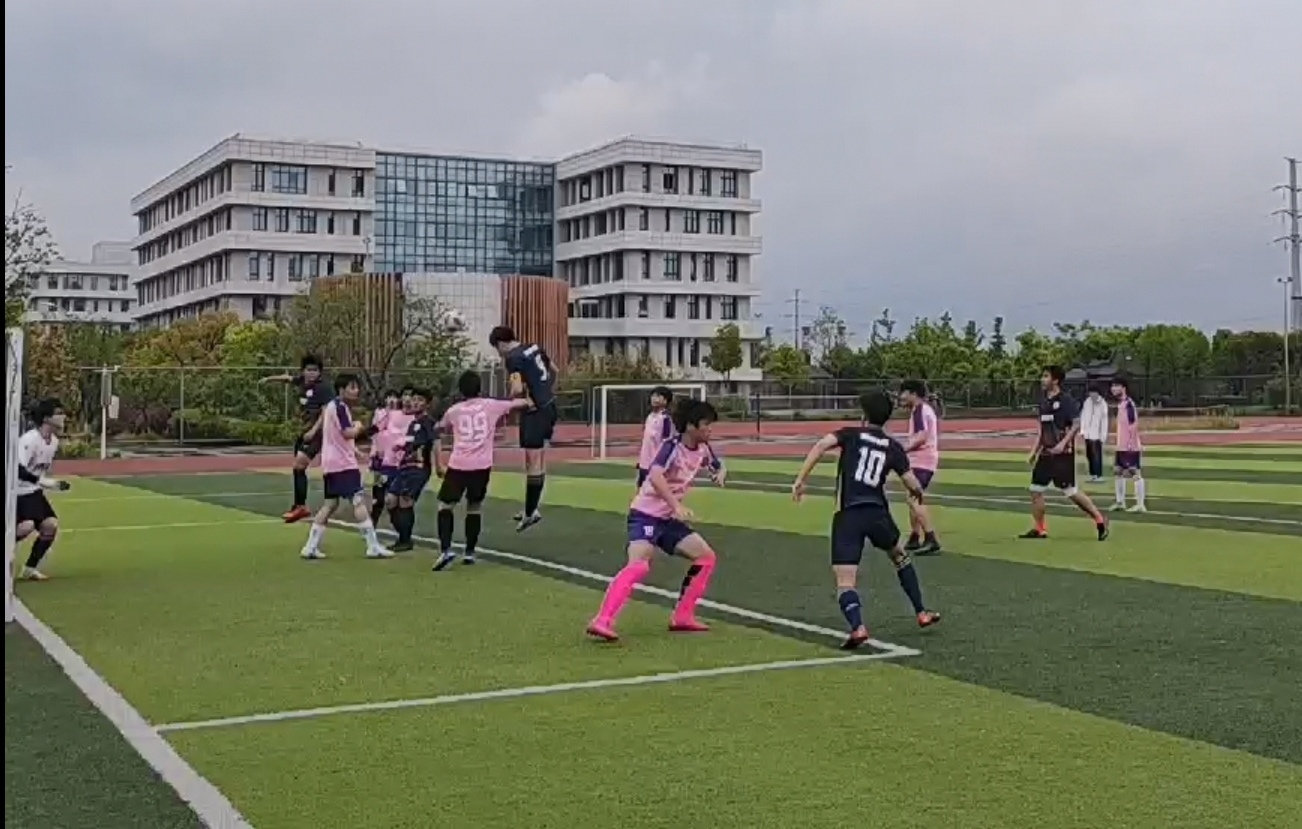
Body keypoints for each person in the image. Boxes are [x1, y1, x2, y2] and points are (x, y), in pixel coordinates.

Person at [791, 390, 942, 650]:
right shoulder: (893, 446)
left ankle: (858, 627)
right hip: (877, 513)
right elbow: (911, 482)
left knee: (845, 580)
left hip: (848, 513)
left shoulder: (850, 434)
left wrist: (801, 479)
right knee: (900, 556)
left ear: (864, 415)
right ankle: (921, 612)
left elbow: (821, 445)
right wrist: (917, 493)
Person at [586, 399, 725, 642]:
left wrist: (720, 472)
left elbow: (717, 464)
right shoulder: (671, 447)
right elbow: (655, 475)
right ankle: (602, 620)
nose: (710, 429)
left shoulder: (704, 448)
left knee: (706, 557)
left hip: (667, 520)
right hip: (646, 515)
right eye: (706, 424)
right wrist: (676, 505)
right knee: (639, 563)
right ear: (691, 426)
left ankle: (683, 616)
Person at [431, 371, 533, 570]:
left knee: (445, 506)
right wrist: (530, 398)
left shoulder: (454, 411)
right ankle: (470, 552)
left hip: (459, 464)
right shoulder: (491, 405)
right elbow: (520, 403)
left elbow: (440, 427)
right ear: (480, 388)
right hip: (482, 465)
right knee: (474, 506)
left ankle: (446, 550)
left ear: (461, 390)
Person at [300, 375, 390, 560]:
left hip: (330, 463)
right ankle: (372, 546)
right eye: (352, 387)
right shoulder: (340, 407)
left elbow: (336, 437)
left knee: (330, 504)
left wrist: (355, 450)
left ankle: (310, 546)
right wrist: (359, 427)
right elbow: (347, 433)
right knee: (358, 501)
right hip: (343, 465)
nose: (356, 391)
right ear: (341, 390)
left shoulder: (331, 407)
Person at [1021, 366, 1109, 541]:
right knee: (1035, 490)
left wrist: (1062, 444)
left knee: (1070, 492)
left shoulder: (1066, 401)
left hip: (1063, 455)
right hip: (1046, 454)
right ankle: (1040, 529)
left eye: (1046, 376)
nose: (1042, 379)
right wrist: (1034, 451)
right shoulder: (1044, 402)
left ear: (1055, 380)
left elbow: (1076, 424)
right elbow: (1042, 429)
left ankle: (1100, 519)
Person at [489, 326, 558, 532]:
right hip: (550, 406)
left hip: (534, 412)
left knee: (532, 461)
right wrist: (545, 392)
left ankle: (530, 513)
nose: (499, 353)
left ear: (501, 343)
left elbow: (517, 388)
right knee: (539, 459)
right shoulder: (534, 347)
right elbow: (554, 370)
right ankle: (532, 507)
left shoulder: (513, 358)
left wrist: (509, 402)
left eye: (497, 348)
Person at [261, 355, 331, 523]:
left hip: (318, 433)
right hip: (303, 431)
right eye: (308, 370)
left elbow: (326, 412)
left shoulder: (323, 388)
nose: (311, 373)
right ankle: (299, 505)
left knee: (300, 465)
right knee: (298, 468)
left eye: (315, 370)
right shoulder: (302, 382)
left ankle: (301, 506)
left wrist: (313, 431)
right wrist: (269, 379)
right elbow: (287, 379)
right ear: (303, 371)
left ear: (320, 372)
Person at [14, 398, 72, 582]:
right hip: (17, 493)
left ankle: (29, 569)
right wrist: (45, 482)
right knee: (25, 527)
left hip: (33, 493)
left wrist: (52, 484)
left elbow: (38, 472)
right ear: (46, 418)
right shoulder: (29, 440)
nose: (63, 417)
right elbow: (17, 470)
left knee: (50, 526)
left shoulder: (53, 442)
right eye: (59, 413)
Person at [384, 387, 439, 552]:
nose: (415, 403)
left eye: (420, 400)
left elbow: (435, 442)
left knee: (405, 501)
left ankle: (405, 540)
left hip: (418, 468)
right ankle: (403, 534)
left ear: (427, 404)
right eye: (414, 399)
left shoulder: (429, 422)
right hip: (404, 467)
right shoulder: (413, 424)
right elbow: (411, 443)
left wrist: (439, 465)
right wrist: (401, 448)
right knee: (390, 500)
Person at [897, 380, 941, 555]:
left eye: (904, 393)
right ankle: (914, 537)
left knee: (914, 499)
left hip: (922, 460)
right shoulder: (922, 410)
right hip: (922, 460)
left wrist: (902, 450)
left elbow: (921, 436)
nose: (901, 397)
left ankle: (931, 538)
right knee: (912, 497)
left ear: (913, 394)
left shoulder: (919, 410)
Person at [1109, 377, 1146, 512]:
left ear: (1123, 388)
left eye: (1116, 386)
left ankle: (1140, 504)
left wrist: (1131, 443)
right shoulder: (1121, 404)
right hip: (1121, 445)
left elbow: (1133, 425)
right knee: (1118, 471)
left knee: (1134, 472)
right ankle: (1120, 502)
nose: (1113, 389)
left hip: (1129, 446)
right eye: (1112, 386)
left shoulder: (1129, 404)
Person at [366, 390, 403, 525]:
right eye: (389, 397)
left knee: (394, 492)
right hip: (379, 456)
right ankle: (373, 520)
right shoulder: (380, 413)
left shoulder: (402, 415)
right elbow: (375, 432)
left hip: (395, 458)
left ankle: (397, 521)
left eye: (395, 397)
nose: (392, 400)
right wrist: (376, 449)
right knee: (378, 489)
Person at [636, 386, 676, 487]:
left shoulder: (665, 418)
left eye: (658, 396)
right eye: (653, 396)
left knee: (654, 493)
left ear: (666, 400)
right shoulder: (649, 416)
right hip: (644, 464)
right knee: (640, 492)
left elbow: (667, 441)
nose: (654, 398)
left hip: (656, 465)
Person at [1081, 385, 1109, 483]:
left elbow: (1104, 421)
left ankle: (1099, 475)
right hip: (1088, 434)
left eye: (1094, 392)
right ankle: (1093, 474)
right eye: (1090, 392)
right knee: (1089, 455)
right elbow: (1083, 416)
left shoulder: (1102, 404)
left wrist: (1103, 436)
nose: (1092, 394)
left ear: (1098, 393)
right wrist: (1083, 430)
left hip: (1097, 434)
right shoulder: (1087, 402)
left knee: (1096, 455)